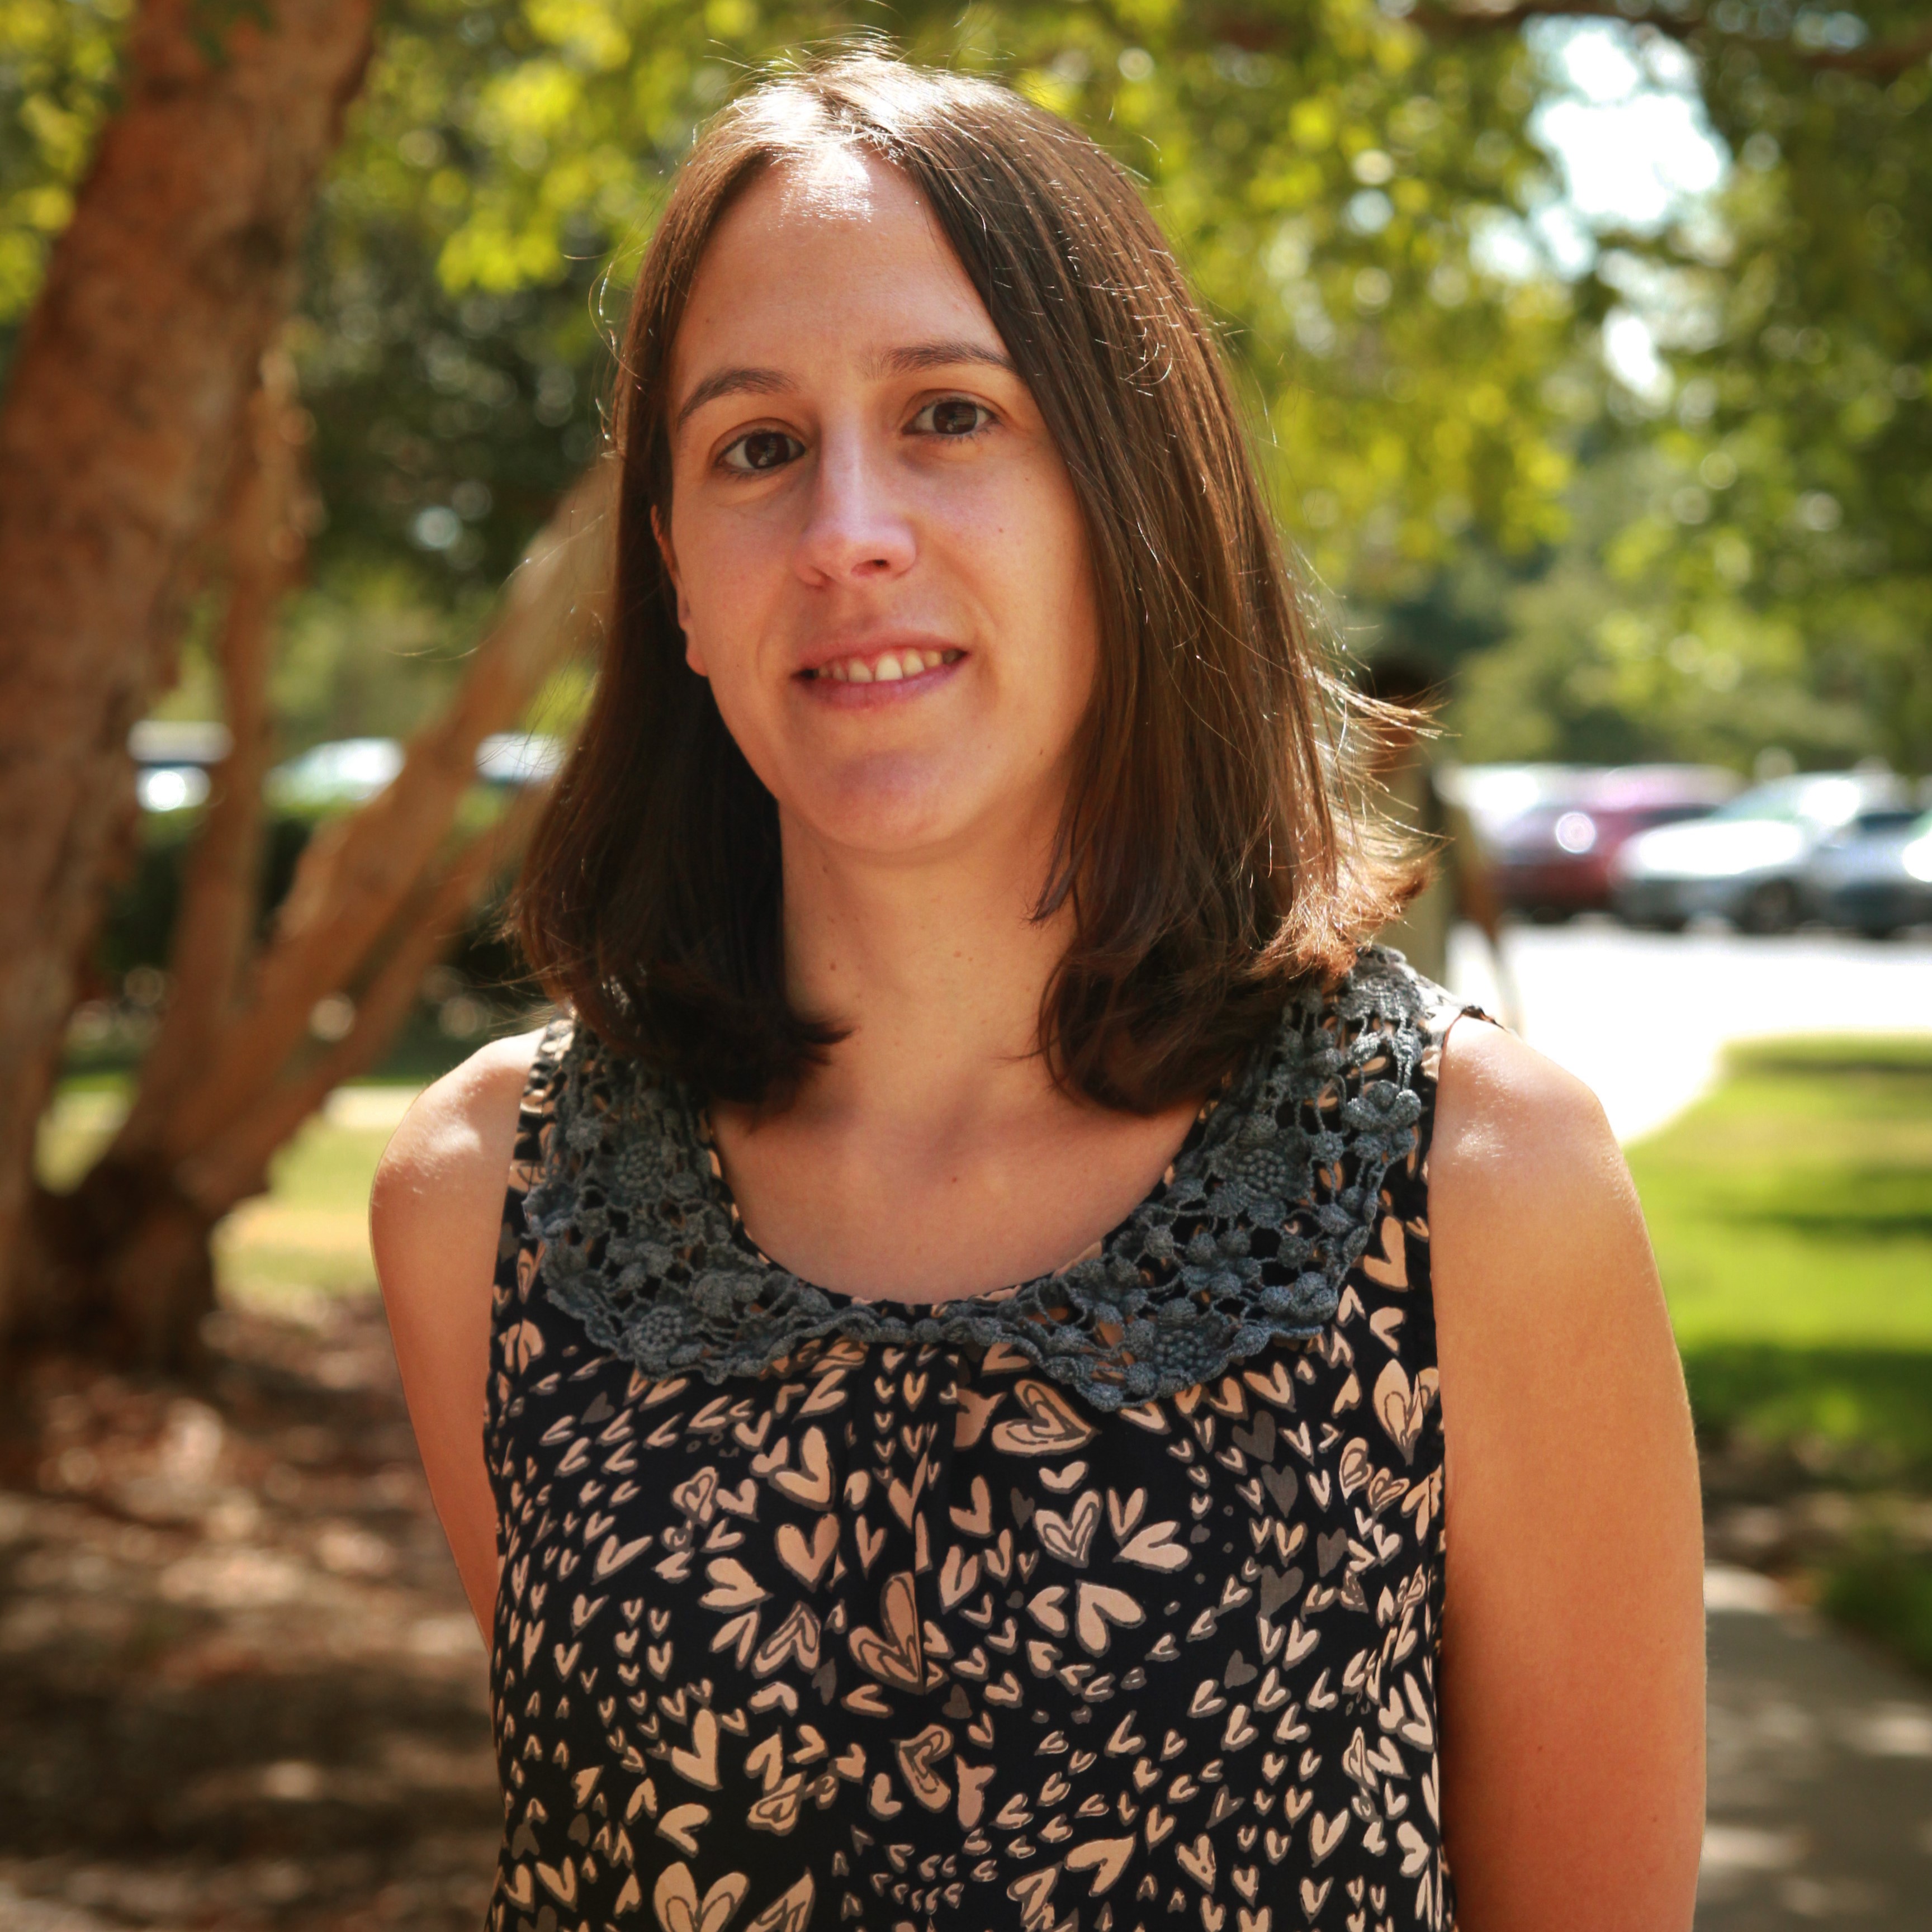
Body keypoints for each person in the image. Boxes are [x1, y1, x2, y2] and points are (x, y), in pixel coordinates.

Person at [371, 55, 1703, 1932]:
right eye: (755, 448)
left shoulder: (1479, 1189)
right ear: (676, 575)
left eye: (948, 416)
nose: (847, 531)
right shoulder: (487, 1207)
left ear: (1127, 503)